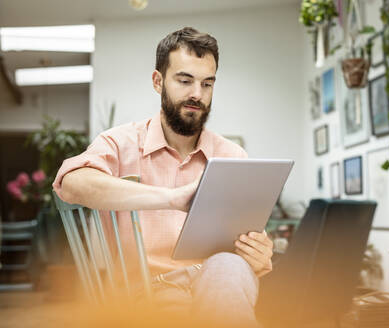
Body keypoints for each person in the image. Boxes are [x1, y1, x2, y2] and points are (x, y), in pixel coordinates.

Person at [53, 27, 273, 327]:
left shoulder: (233, 156)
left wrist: (257, 253)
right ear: (158, 82)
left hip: (220, 281)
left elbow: (246, 241)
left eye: (207, 83)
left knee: (229, 267)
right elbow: (71, 182)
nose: (197, 93)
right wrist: (171, 198)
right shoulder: (120, 143)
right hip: (148, 291)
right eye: (185, 81)